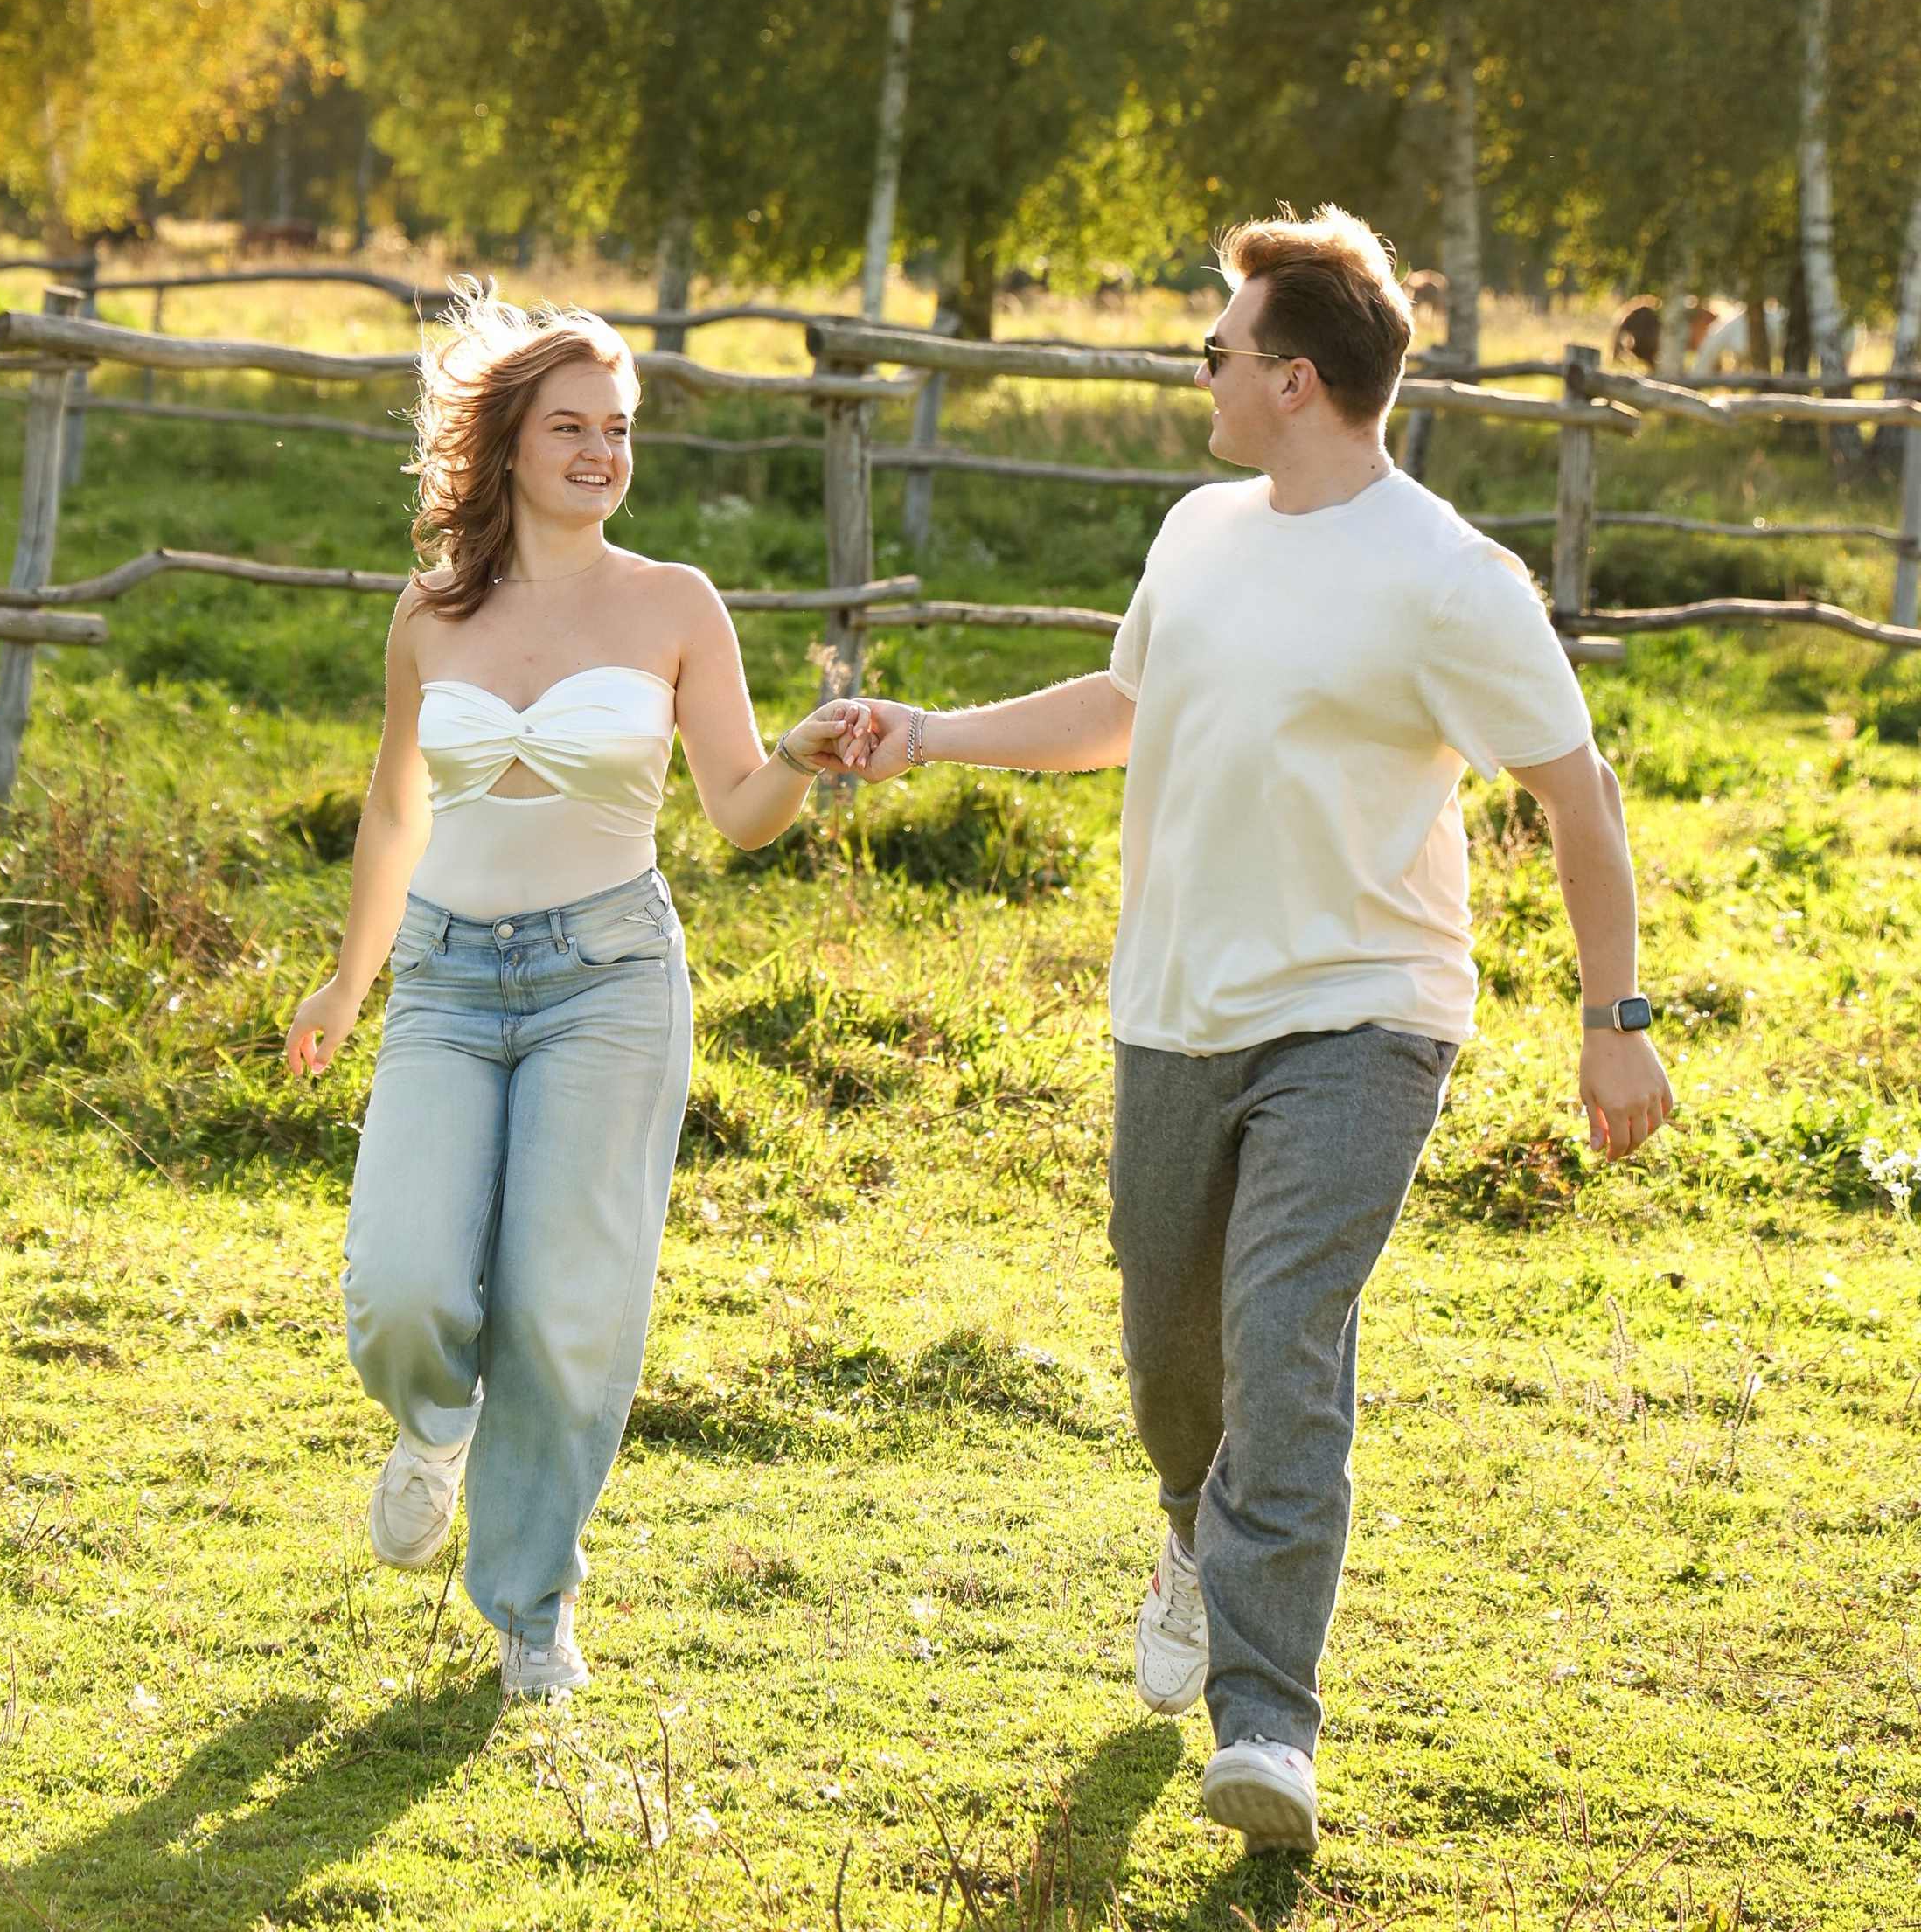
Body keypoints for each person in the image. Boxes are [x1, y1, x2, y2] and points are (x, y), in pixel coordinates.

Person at [829, 207, 1674, 1858]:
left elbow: (1577, 793)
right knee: (1172, 1360)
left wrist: (1613, 1016)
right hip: (1175, 1011)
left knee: (1284, 1336)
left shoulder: (1451, 579)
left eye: (1213, 349)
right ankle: (1190, 1535)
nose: (1195, 372)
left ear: (1294, 377)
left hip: (1366, 1015)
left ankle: (1269, 1724)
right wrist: (921, 733)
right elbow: (1121, 711)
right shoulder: (1199, 533)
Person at [283, 290, 853, 1699]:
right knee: (404, 1284)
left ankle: (532, 1611)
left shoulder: (674, 604)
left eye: (620, 430)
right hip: (447, 978)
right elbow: (394, 808)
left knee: (562, 1305)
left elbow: (734, 809)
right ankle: (432, 1429)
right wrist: (351, 978)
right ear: (507, 443)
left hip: (610, 980)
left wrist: (797, 750)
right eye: (572, 427)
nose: (602, 453)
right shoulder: (433, 612)